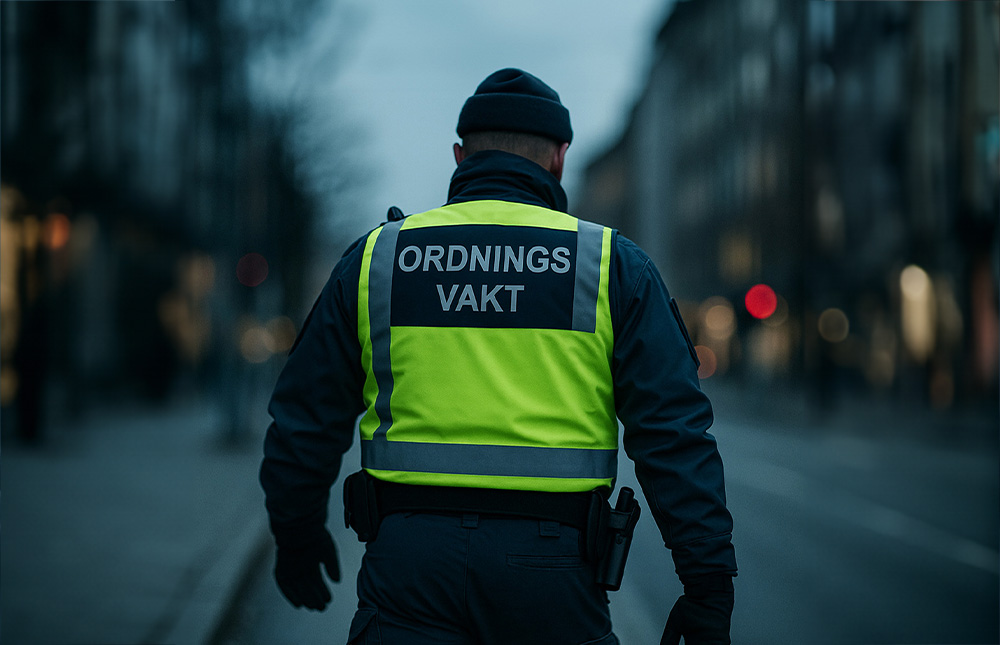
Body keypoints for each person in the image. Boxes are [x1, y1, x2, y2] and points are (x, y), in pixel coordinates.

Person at [260, 68, 737, 645]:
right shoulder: (611, 264)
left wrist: (296, 529)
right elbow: (673, 432)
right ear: (560, 157)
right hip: (553, 572)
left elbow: (306, 415)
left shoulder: (379, 259)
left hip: (409, 565)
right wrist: (707, 580)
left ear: (460, 155)